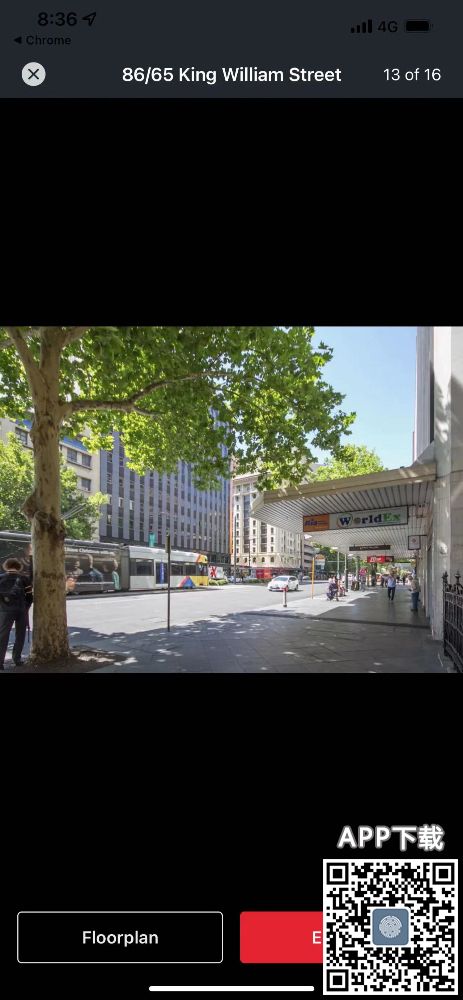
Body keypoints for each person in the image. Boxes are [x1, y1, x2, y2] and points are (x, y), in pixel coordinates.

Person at [0, 557, 33, 669]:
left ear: (6, 566)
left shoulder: (1, 578)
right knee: (20, 635)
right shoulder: (24, 578)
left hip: (5, 611)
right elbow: (29, 596)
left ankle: (0, 662)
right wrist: (25, 607)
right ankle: (17, 659)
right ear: (19, 567)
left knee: (3, 635)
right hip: (21, 610)